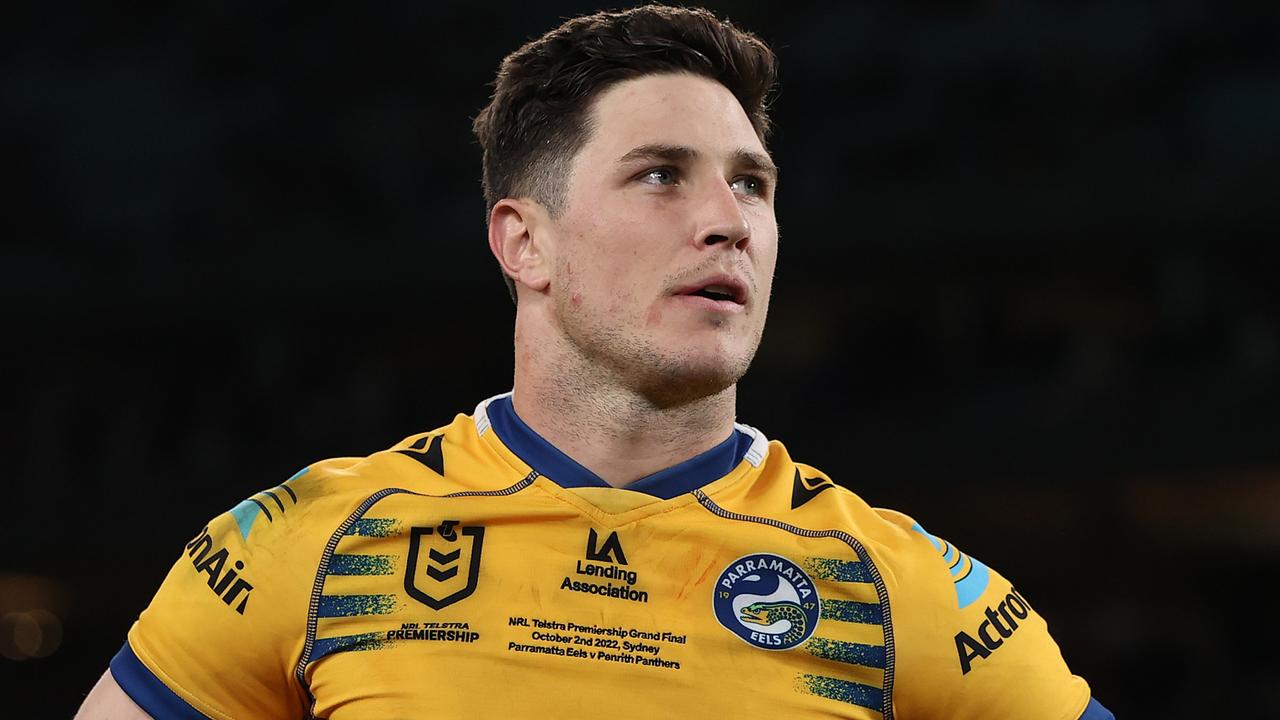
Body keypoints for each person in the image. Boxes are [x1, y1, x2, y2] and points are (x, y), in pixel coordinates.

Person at [78, 6, 1113, 719]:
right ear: (523, 240)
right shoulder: (310, 543)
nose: (727, 222)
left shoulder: (892, 587)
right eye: (660, 176)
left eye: (752, 186)